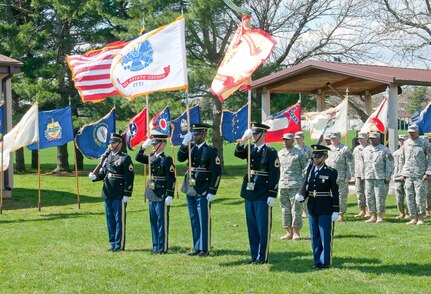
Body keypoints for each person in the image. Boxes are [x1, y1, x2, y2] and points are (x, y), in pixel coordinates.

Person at [234, 122, 280, 264]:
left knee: (262, 226)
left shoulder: (271, 152)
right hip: (250, 192)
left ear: (263, 134)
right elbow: (237, 153)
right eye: (252, 133)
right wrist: (243, 138)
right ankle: (254, 255)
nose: (253, 136)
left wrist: (272, 194)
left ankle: (262, 256)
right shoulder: (250, 149)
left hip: (262, 192)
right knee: (252, 226)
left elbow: (274, 174)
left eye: (255, 133)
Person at [178, 123, 222, 256]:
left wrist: (212, 190)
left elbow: (217, 172)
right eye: (194, 134)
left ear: (204, 135)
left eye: (197, 134)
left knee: (203, 219)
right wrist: (185, 143)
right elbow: (180, 158)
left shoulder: (210, 151)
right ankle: (197, 246)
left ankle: (205, 247)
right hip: (190, 188)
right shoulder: (191, 149)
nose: (195, 136)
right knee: (194, 219)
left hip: (203, 188)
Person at [295, 144, 339, 270]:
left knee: (325, 235)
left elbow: (335, 192)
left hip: (325, 206)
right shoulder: (310, 171)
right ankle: (317, 261)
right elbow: (307, 186)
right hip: (312, 206)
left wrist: (336, 209)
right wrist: (302, 195)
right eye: (313, 156)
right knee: (314, 235)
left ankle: (325, 262)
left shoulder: (330, 172)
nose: (315, 159)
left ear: (325, 157)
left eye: (318, 156)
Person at [88, 133, 134, 252]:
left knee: (119, 220)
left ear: (120, 143)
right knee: (110, 220)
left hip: (119, 193)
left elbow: (129, 177)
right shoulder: (107, 158)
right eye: (111, 142)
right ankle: (112, 243)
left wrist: (127, 193)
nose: (111, 145)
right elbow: (104, 173)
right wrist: (95, 177)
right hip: (107, 191)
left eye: (114, 142)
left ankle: (119, 245)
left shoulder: (125, 158)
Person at [135, 133, 176, 254]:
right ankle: (155, 246)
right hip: (152, 192)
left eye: (156, 143)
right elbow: (138, 158)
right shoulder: (151, 157)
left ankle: (162, 247)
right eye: (152, 144)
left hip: (162, 193)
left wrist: (170, 194)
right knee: (153, 221)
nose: (153, 146)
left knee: (161, 221)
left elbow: (171, 178)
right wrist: (142, 147)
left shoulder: (167, 159)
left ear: (163, 144)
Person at [278, 133, 308, 241]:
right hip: (282, 186)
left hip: (296, 185)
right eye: (283, 140)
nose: (285, 142)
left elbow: (306, 169)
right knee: (285, 210)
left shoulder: (299, 154)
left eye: (287, 140)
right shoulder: (280, 154)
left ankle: (296, 232)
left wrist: (304, 184)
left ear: (292, 141)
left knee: (296, 210)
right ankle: (288, 232)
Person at [401, 124, 431, 225]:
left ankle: (421, 217)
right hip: (409, 174)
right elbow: (405, 159)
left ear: (417, 131)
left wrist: (428, 173)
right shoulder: (406, 143)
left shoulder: (424, 143)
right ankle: (413, 217)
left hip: (420, 175)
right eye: (409, 132)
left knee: (420, 197)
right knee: (409, 197)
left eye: (413, 132)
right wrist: (403, 172)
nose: (411, 134)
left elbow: (430, 159)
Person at [362, 132, 394, 223]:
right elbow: (363, 163)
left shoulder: (384, 150)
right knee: (369, 196)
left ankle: (380, 216)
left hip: (380, 177)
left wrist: (387, 177)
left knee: (379, 197)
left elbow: (390, 164)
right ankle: (372, 216)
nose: (371, 140)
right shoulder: (366, 150)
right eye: (370, 138)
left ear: (378, 139)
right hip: (368, 177)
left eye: (373, 138)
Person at [326, 132, 353, 222]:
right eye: (331, 138)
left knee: (341, 196)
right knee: (329, 196)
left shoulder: (345, 149)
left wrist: (348, 177)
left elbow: (350, 164)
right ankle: (331, 212)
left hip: (340, 177)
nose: (332, 140)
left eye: (335, 138)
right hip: (329, 178)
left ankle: (341, 214)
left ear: (339, 138)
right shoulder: (328, 149)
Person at [295, 131, 313, 218]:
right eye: (296, 138)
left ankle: (306, 211)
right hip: (297, 174)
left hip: (306, 174)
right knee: (297, 192)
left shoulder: (308, 149)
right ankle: (299, 210)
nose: (297, 140)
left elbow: (312, 161)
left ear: (302, 138)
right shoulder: (294, 149)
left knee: (305, 191)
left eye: (298, 138)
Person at [352, 132, 369, 218]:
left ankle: (369, 210)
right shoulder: (356, 149)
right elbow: (353, 161)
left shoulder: (370, 148)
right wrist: (353, 173)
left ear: (367, 139)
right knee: (359, 192)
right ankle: (362, 210)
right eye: (359, 138)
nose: (360, 140)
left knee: (368, 192)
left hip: (368, 174)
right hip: (358, 173)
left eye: (362, 138)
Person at [393, 134, 408, 219]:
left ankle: (409, 213)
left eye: (403, 140)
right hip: (397, 177)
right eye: (400, 140)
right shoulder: (395, 153)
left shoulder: (409, 152)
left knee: (409, 196)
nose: (401, 141)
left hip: (407, 176)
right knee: (399, 197)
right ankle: (401, 212)